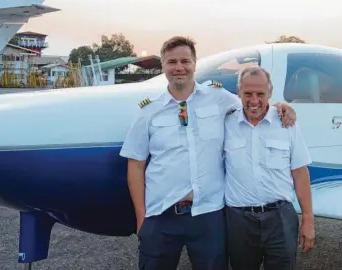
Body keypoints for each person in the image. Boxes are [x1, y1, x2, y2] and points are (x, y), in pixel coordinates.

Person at [119, 36, 297, 270]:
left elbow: (252, 105)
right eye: (172, 62)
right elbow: (136, 164)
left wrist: (280, 107)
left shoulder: (219, 98)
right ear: (163, 65)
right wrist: (142, 218)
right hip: (161, 214)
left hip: (208, 213)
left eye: (185, 60)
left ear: (195, 63)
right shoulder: (148, 112)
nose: (179, 67)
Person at [223, 66, 315, 270]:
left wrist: (308, 219)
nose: (254, 101)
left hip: (280, 219)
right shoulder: (226, 122)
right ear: (238, 91)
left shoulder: (287, 123)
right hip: (239, 221)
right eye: (247, 93)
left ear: (270, 93)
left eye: (260, 94)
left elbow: (300, 173)